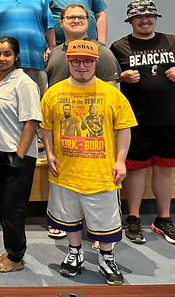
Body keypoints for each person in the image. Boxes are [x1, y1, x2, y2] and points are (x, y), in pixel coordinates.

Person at [41, 40, 137, 285]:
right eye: (75, 61)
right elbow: (47, 127)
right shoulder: (54, 92)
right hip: (65, 170)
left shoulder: (112, 94)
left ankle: (106, 258)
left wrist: (121, 161)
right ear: (68, 62)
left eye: (86, 61)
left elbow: (124, 129)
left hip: (101, 172)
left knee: (105, 220)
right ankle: (75, 253)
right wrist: (50, 153)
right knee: (69, 217)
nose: (81, 66)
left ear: (95, 62)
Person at [110, 0, 175, 247]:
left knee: (164, 169)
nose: (145, 20)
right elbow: (107, 80)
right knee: (136, 170)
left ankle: (163, 219)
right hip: (136, 120)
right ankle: (133, 217)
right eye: (139, 17)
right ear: (130, 20)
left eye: (149, 15)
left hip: (170, 119)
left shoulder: (172, 41)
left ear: (156, 18)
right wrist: (122, 77)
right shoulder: (119, 47)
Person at [0, 37, 40, 273]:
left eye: (7, 54)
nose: (1, 58)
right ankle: (11, 249)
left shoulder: (24, 83)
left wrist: (19, 156)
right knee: (4, 205)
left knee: (14, 208)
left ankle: (16, 256)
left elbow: (32, 121)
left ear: (16, 56)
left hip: (14, 155)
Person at [46, 4, 120, 88]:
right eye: (71, 17)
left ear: (87, 22)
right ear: (61, 23)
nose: (77, 21)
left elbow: (110, 90)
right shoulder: (54, 53)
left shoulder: (101, 51)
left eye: (81, 17)